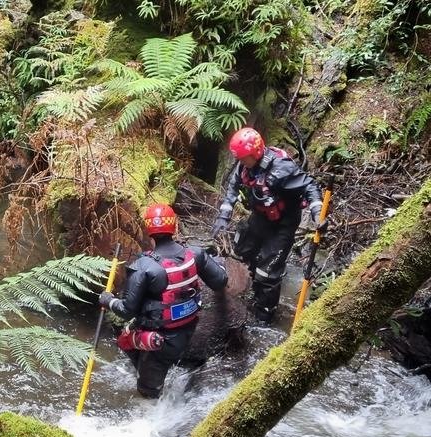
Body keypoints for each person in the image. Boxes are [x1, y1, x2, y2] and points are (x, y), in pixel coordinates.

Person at [98, 204, 228, 399]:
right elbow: (220, 281)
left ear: (149, 231)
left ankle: (150, 394)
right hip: (188, 329)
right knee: (129, 340)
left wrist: (108, 300)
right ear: (174, 227)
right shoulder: (195, 254)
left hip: (160, 341)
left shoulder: (144, 267)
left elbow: (126, 310)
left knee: (146, 391)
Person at [211, 127, 324, 324]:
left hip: (283, 223)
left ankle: (265, 315)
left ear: (255, 153)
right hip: (260, 216)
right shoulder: (244, 167)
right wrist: (223, 217)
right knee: (243, 252)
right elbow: (233, 189)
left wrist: (317, 213)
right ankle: (251, 292)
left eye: (243, 158)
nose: (240, 162)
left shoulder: (282, 169)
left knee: (268, 271)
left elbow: (310, 186)